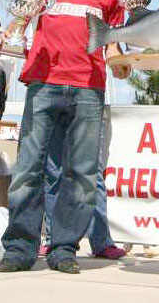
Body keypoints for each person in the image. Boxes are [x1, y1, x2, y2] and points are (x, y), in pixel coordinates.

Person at [0, 0, 130, 274]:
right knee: (27, 169)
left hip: (89, 88)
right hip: (44, 82)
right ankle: (19, 249)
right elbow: (21, 18)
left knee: (83, 174)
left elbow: (112, 42)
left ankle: (64, 248)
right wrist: (11, 35)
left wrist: (118, 61)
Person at [42, 103, 125, 260]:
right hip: (54, 95)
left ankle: (101, 241)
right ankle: (53, 239)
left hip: (88, 96)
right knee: (54, 173)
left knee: (92, 174)